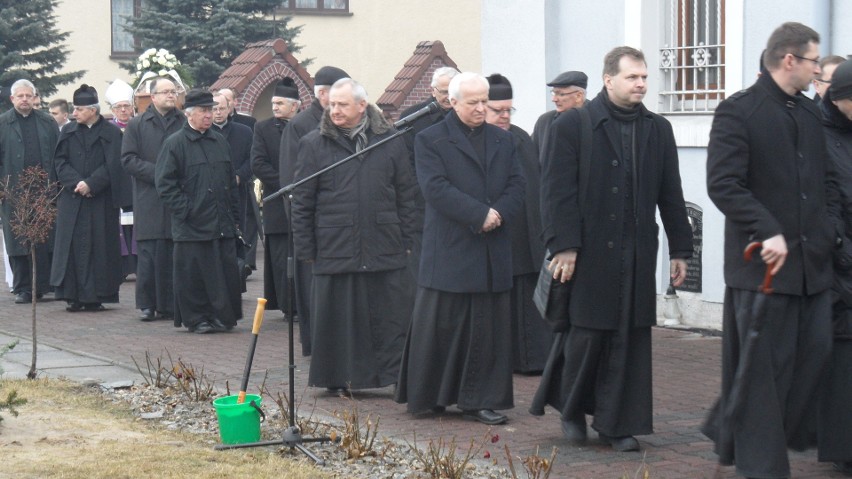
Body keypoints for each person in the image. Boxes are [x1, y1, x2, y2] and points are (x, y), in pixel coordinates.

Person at [531, 46, 692, 452]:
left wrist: (681, 249)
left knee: (629, 338)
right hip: (587, 253)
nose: (641, 84)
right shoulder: (573, 126)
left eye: (644, 77)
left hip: (637, 251)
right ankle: (571, 410)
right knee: (586, 335)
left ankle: (616, 423)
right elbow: (555, 192)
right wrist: (564, 246)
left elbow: (670, 192)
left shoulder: (658, 129)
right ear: (608, 80)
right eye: (632, 77)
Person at [702, 23, 840, 479]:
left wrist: (828, 233)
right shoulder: (737, 111)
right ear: (789, 60)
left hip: (812, 268)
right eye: (813, 62)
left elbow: (826, 184)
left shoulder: (808, 113)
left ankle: (730, 427)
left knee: (814, 358)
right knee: (763, 378)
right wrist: (767, 230)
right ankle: (762, 469)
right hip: (762, 268)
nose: (818, 70)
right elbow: (724, 184)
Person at [395, 72, 525, 425]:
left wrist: (497, 215)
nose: (482, 108)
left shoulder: (503, 140)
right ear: (452, 103)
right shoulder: (430, 139)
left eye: (485, 101)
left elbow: (517, 184)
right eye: (473, 102)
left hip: (491, 247)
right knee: (442, 326)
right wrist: (478, 214)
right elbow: (434, 188)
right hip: (451, 248)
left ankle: (480, 399)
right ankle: (431, 396)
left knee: (487, 328)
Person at [290, 78, 417, 391]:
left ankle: (390, 377)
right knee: (339, 318)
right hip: (335, 245)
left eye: (342, 104)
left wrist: (410, 240)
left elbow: (406, 194)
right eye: (332, 104)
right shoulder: (313, 144)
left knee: (388, 317)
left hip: (383, 242)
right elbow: (302, 202)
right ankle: (336, 378)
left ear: (362, 106)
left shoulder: (389, 140)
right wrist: (306, 248)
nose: (335, 110)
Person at [155, 89, 243, 334]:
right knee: (194, 275)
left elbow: (229, 181)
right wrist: (188, 210)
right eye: (204, 111)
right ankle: (197, 318)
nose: (209, 115)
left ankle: (221, 315)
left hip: (221, 222)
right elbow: (164, 184)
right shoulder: (175, 144)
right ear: (189, 115)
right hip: (192, 225)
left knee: (222, 272)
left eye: (211, 110)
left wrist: (235, 217)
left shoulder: (219, 141)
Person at [278, 65, 349, 356]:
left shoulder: (345, 121)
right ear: (322, 93)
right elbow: (292, 180)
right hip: (313, 224)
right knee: (311, 291)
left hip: (341, 225)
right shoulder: (300, 126)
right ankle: (313, 344)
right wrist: (299, 223)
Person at [484, 73, 550, 374]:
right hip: (495, 235)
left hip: (527, 238)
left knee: (527, 304)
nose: (504, 116)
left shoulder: (521, 138)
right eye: (498, 110)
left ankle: (531, 360)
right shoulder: (478, 141)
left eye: (509, 110)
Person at [50, 84, 127, 312]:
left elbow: (113, 164)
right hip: (73, 200)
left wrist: (91, 183)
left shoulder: (111, 133)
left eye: (79, 110)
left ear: (92, 110)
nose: (74, 114)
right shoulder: (68, 131)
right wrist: (76, 183)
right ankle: (72, 295)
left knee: (99, 247)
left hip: (99, 200)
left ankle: (96, 296)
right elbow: (59, 161)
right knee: (71, 247)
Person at [121, 77, 185, 322]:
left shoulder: (183, 122)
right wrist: (159, 173)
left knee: (173, 251)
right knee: (149, 252)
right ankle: (147, 304)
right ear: (153, 96)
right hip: (149, 196)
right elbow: (128, 159)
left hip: (177, 196)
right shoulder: (138, 124)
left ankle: (171, 304)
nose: (171, 95)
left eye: (174, 91)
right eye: (166, 92)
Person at [818, 58, 852, 477]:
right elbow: (825, 198)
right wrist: (841, 247)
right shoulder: (819, 134)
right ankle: (843, 446)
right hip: (840, 261)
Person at [397, 66, 460, 278]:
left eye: (453, 92)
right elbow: (405, 166)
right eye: (444, 92)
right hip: (422, 206)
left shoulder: (466, 118)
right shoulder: (413, 119)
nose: (448, 97)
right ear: (432, 91)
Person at [0, 79, 58, 304]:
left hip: (43, 191)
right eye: (20, 96)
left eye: (28, 96)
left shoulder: (47, 122)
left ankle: (43, 285)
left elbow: (57, 153)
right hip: (13, 193)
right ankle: (23, 287)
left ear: (35, 98)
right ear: (12, 99)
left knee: (45, 238)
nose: (25, 100)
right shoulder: (3, 123)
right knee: (18, 240)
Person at [250, 78, 301, 319]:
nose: (275, 107)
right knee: (281, 258)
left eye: (280, 103)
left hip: (304, 200)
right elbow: (258, 163)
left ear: (295, 106)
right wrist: (286, 183)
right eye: (273, 103)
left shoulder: (306, 126)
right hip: (277, 201)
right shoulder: (263, 129)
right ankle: (287, 306)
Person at [211, 91, 255, 289]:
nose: (218, 112)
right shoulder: (205, 132)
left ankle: (237, 278)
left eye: (221, 108)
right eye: (213, 108)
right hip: (212, 194)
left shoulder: (244, 132)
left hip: (238, 192)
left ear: (230, 108)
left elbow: (253, 159)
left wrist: (239, 176)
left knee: (238, 234)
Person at [104, 78, 138, 279]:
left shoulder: (139, 125)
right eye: (119, 107)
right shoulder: (108, 129)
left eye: (126, 106)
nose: (124, 110)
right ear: (113, 110)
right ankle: (124, 266)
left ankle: (138, 263)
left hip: (135, 182)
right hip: (116, 184)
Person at [531, 70, 588, 156]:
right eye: (553, 93)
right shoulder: (544, 121)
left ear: (578, 96)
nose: (554, 99)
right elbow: (531, 158)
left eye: (560, 94)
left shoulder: (595, 120)